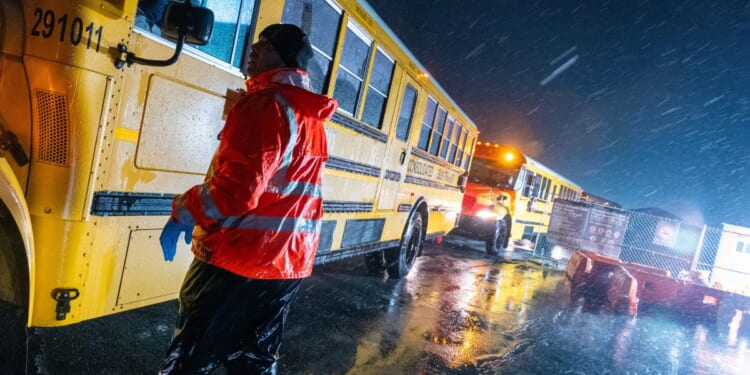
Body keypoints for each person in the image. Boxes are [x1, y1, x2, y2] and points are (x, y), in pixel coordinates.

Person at [158, 23, 338, 374]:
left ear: (284, 59)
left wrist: (182, 211)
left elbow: (235, 193)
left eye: (266, 46)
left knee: (192, 360)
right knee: (253, 359)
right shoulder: (308, 114)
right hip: (288, 262)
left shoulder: (265, 104)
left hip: (239, 257)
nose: (254, 50)